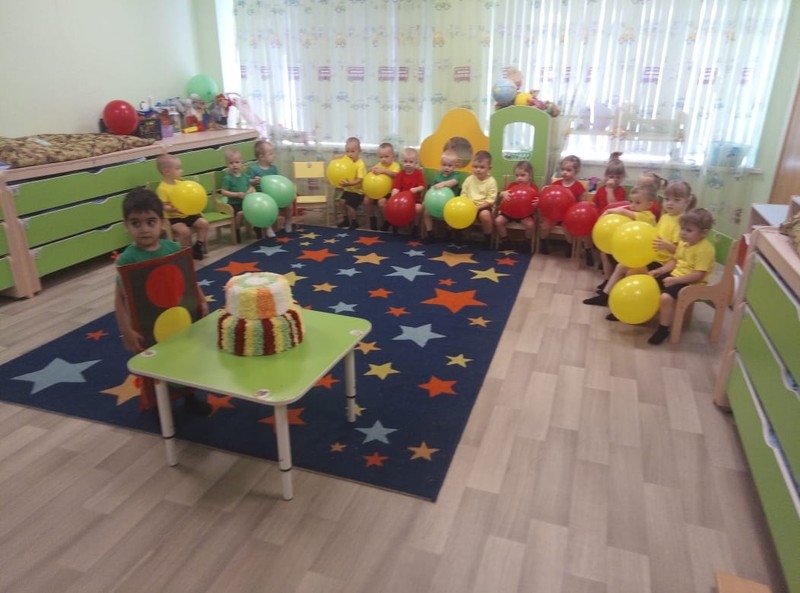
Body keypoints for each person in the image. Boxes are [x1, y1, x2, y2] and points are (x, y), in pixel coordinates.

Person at [114, 188, 211, 414]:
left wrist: (201, 300)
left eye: (151, 222)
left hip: (176, 318)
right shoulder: (127, 259)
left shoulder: (172, 248)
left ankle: (189, 397)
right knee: (156, 364)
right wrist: (126, 330)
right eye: (136, 223)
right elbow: (119, 298)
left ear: (161, 222)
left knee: (184, 356)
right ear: (126, 226)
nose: (144, 229)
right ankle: (160, 406)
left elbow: (188, 278)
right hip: (148, 324)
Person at [584, 182, 694, 316]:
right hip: (651, 256)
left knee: (632, 272)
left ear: (686, 202)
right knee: (621, 266)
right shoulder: (665, 217)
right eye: (667, 199)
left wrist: (667, 245)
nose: (670, 203)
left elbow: (682, 252)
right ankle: (604, 296)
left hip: (664, 264)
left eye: (676, 200)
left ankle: (625, 307)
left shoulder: (682, 223)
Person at [646, 208, 716, 345]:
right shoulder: (684, 244)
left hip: (692, 283)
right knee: (649, 282)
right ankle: (645, 314)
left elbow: (698, 274)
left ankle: (663, 329)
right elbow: (674, 261)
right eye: (682, 228)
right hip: (676, 276)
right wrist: (659, 271)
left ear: (703, 233)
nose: (683, 233)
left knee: (666, 297)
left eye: (689, 230)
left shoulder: (705, 250)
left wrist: (675, 280)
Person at [155, 154, 209, 260]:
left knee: (204, 224)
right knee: (184, 232)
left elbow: (188, 197)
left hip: (188, 214)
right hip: (174, 217)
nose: (181, 171)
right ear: (167, 172)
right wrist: (171, 209)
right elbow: (162, 205)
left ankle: (198, 246)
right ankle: (184, 252)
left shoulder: (180, 183)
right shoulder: (162, 188)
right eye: (178, 168)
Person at [539, 154, 585, 256]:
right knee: (545, 226)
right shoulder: (556, 184)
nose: (564, 172)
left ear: (576, 171)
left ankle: (569, 246)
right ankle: (543, 242)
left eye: (568, 170)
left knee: (568, 228)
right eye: (563, 169)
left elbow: (582, 203)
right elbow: (548, 198)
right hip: (554, 214)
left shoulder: (578, 186)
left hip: (568, 215)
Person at [248, 140, 293, 236]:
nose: (274, 155)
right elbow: (249, 182)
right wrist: (254, 181)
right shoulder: (254, 169)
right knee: (267, 208)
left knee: (288, 206)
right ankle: (268, 227)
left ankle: (288, 222)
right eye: (271, 154)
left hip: (275, 195)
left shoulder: (273, 168)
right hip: (263, 197)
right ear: (262, 157)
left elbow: (277, 182)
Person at [494, 161, 538, 249]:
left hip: (525, 214)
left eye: (522, 175)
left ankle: (526, 242)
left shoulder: (533, 188)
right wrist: (502, 194)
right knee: (498, 221)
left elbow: (537, 200)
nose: (519, 178)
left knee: (531, 225)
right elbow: (502, 196)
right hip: (509, 212)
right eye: (517, 175)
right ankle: (505, 240)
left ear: (529, 175)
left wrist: (537, 202)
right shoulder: (512, 185)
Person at [459, 150, 498, 248]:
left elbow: (491, 200)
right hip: (469, 205)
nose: (478, 170)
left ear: (489, 168)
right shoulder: (469, 179)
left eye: (482, 167)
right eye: (475, 167)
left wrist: (478, 207)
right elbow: (463, 194)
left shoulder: (491, 181)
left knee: (485, 215)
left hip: (484, 206)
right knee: (458, 211)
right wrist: (466, 205)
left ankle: (488, 237)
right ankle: (459, 235)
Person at [386, 147, 426, 234]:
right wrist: (393, 198)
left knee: (418, 208)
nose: (408, 164)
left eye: (411, 162)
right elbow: (396, 188)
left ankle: (415, 226)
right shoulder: (400, 174)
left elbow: (422, 186)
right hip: (401, 201)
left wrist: (416, 189)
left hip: (415, 200)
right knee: (394, 207)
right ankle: (395, 225)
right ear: (402, 162)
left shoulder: (418, 173)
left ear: (416, 163)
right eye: (405, 162)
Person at [423, 149, 462, 238]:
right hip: (436, 204)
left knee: (452, 214)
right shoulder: (438, 176)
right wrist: (426, 200)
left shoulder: (456, 175)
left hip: (450, 204)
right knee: (426, 212)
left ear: (455, 166)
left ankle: (449, 231)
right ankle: (429, 232)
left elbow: (454, 182)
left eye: (450, 165)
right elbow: (432, 189)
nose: (446, 168)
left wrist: (443, 184)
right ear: (441, 164)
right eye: (444, 165)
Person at [218, 148, 255, 241]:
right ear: (227, 165)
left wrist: (249, 191)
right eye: (231, 163)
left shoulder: (245, 176)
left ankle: (257, 228)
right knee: (239, 214)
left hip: (245, 202)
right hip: (234, 204)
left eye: (237, 162)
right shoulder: (228, 178)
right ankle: (237, 230)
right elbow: (223, 192)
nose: (234, 165)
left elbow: (250, 186)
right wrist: (236, 194)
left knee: (253, 210)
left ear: (241, 163)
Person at [367, 142, 400, 231]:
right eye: (381, 157)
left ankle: (387, 220)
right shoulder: (379, 165)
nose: (383, 159)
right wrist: (371, 170)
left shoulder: (395, 165)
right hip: (378, 191)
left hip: (390, 192)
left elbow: (396, 175)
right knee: (366, 200)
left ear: (393, 157)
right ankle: (372, 219)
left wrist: (384, 171)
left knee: (381, 202)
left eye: (386, 157)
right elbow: (369, 172)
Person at [336, 137, 367, 230]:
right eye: (347, 151)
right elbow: (336, 158)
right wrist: (338, 157)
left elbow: (359, 180)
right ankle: (345, 220)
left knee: (349, 205)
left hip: (358, 191)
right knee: (341, 202)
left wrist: (349, 184)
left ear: (359, 151)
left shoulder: (360, 164)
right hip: (348, 189)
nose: (349, 154)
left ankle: (354, 222)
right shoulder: (346, 160)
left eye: (352, 151)